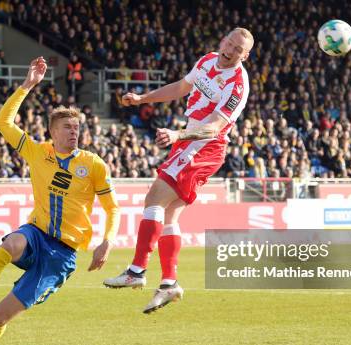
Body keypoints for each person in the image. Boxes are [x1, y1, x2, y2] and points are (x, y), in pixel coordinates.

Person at [0, 57, 120, 345]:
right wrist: (27, 86)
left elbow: (111, 206)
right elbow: (2, 123)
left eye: (77, 127)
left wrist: (108, 240)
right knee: (9, 245)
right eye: (67, 127)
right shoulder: (37, 152)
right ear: (52, 131)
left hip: (62, 255)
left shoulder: (93, 165)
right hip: (35, 234)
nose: (73, 132)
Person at [103, 27, 253, 313]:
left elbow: (214, 127)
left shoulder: (238, 85)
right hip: (189, 144)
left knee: (154, 199)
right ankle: (169, 283)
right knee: (169, 214)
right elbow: (181, 87)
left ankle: (136, 272)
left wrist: (178, 135)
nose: (230, 50)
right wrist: (143, 99)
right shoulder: (207, 60)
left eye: (237, 49)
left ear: (245, 55)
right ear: (222, 40)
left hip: (204, 146)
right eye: (229, 43)